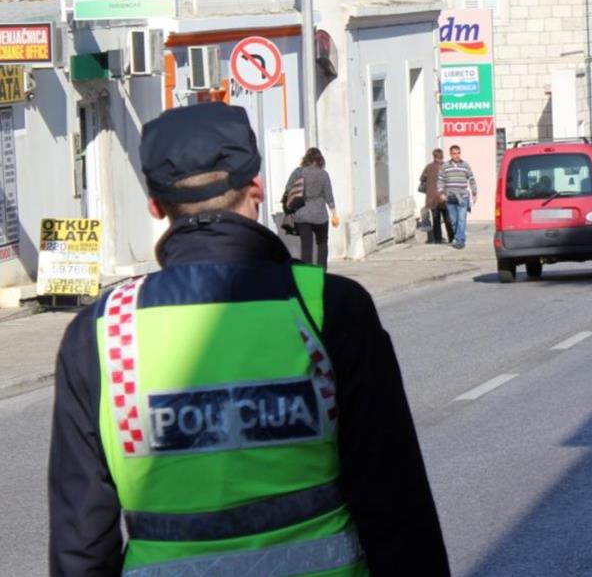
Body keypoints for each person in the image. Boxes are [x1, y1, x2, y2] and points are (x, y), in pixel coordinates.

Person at [48, 103, 450, 575]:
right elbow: (394, 500)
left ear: (155, 205)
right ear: (256, 187)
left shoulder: (102, 332)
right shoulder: (326, 309)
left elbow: (81, 540)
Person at [285, 147, 338, 269]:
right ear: (320, 160)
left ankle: (308, 279)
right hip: (320, 215)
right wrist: (334, 213)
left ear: (306, 159)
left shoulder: (298, 172)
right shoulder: (324, 175)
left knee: (306, 246)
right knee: (322, 243)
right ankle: (322, 273)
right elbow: (329, 196)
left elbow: (288, 188)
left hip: (302, 214)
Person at [438, 144, 478, 250]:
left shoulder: (465, 165)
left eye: (458, 153)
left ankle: (460, 241)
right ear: (450, 154)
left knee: (461, 219)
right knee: (454, 221)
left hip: (463, 197)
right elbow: (440, 180)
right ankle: (458, 238)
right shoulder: (445, 166)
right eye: (454, 153)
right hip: (450, 198)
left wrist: (474, 193)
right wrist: (441, 193)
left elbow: (472, 179)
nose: (456, 155)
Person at [421, 148, 454, 243]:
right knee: (448, 219)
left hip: (432, 198)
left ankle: (438, 239)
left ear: (434, 156)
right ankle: (451, 238)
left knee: (436, 220)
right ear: (442, 156)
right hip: (444, 197)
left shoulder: (428, 167)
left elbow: (422, 178)